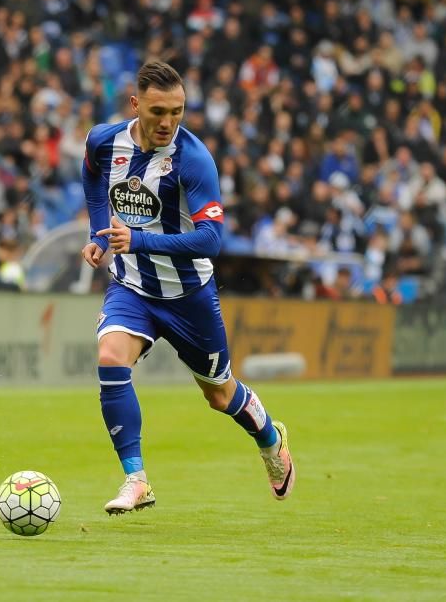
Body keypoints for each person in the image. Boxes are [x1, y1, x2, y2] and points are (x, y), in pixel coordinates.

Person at [80, 62, 294, 515]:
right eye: (158, 111)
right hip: (133, 287)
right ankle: (136, 479)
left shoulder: (193, 159)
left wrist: (136, 239)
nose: (167, 122)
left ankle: (271, 439)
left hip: (189, 297)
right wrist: (100, 234)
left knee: (218, 394)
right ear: (135, 104)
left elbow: (211, 240)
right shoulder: (104, 140)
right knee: (110, 358)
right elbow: (93, 177)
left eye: (177, 111)